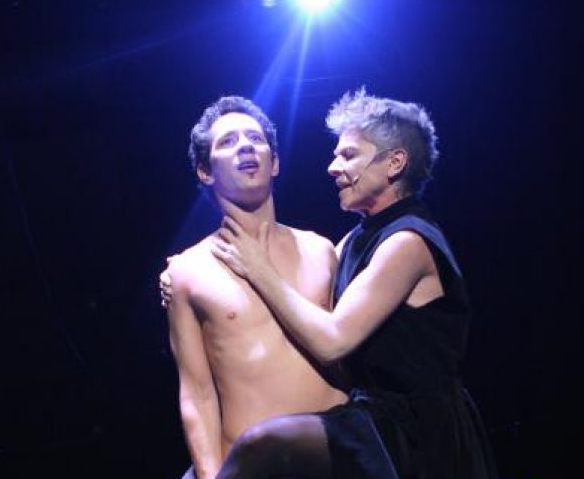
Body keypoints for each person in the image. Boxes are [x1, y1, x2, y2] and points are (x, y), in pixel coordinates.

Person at [206, 88, 498, 479]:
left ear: (395, 163)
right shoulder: (356, 239)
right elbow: (300, 288)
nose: (332, 167)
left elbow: (332, 341)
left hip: (415, 433)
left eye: (348, 155)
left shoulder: (408, 243)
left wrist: (257, 268)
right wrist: (193, 270)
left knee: (262, 445)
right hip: (374, 417)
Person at [161, 95, 398, 479]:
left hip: (335, 455)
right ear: (205, 171)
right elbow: (197, 393)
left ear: (274, 162)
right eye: (228, 141)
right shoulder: (188, 272)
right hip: (254, 466)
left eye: (255, 138)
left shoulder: (321, 250)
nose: (245, 147)